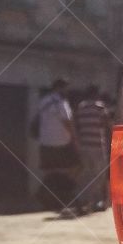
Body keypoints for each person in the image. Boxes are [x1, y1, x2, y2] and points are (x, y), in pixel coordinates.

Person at [34, 78, 79, 211]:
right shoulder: (60, 102)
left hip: (45, 143)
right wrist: (75, 139)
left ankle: (50, 196)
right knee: (76, 167)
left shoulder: (43, 101)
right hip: (62, 142)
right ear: (60, 88)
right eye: (66, 88)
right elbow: (67, 122)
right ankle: (62, 193)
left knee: (50, 171)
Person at [72, 85, 110, 214]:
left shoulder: (81, 107)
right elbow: (106, 124)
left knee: (86, 174)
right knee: (98, 175)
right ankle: (94, 201)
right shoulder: (99, 107)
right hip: (97, 145)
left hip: (84, 145)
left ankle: (81, 198)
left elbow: (76, 124)